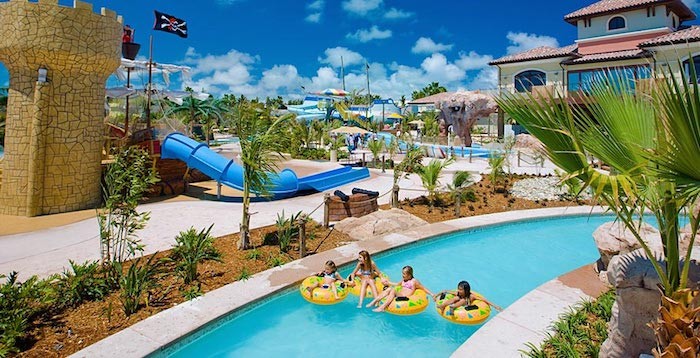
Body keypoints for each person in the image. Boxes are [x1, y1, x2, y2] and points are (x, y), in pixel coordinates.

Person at [368, 265, 433, 312]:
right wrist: (388, 282)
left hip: (406, 297)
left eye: (404, 274)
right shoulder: (404, 280)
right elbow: (397, 284)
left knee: (393, 290)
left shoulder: (414, 281)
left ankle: (382, 307)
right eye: (402, 273)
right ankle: (374, 302)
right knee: (389, 288)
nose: (402, 275)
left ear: (409, 275)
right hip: (400, 294)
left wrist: (432, 294)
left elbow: (423, 288)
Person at [434, 281, 503, 315]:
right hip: (458, 302)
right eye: (458, 289)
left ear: (466, 290)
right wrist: (436, 295)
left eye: (460, 290)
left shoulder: (471, 296)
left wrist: (495, 306)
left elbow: (484, 300)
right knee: (455, 298)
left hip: (466, 305)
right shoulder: (458, 293)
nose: (458, 290)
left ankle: (453, 307)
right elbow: (446, 291)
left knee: (463, 301)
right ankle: (442, 306)